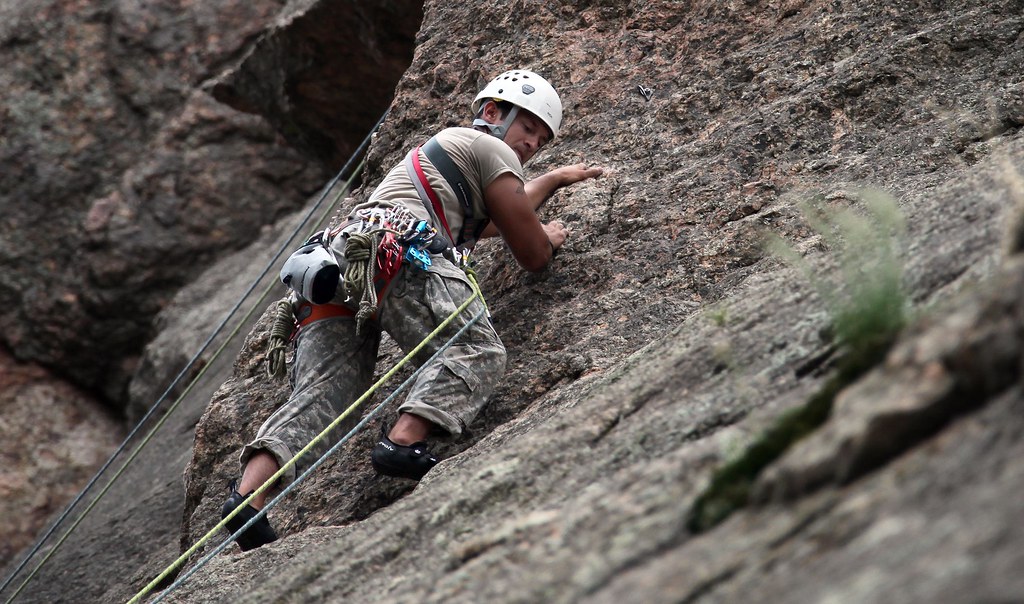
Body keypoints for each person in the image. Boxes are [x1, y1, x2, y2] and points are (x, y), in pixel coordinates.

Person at [221, 68, 604, 551]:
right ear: (492, 113)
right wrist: (546, 238)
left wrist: (550, 179)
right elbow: (528, 250)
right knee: (474, 348)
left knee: (327, 392)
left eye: (541, 139)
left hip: (340, 265)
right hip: (399, 255)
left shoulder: (447, 158)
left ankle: (247, 497)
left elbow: (488, 219)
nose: (530, 144)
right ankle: (403, 442)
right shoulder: (491, 149)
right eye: (528, 127)